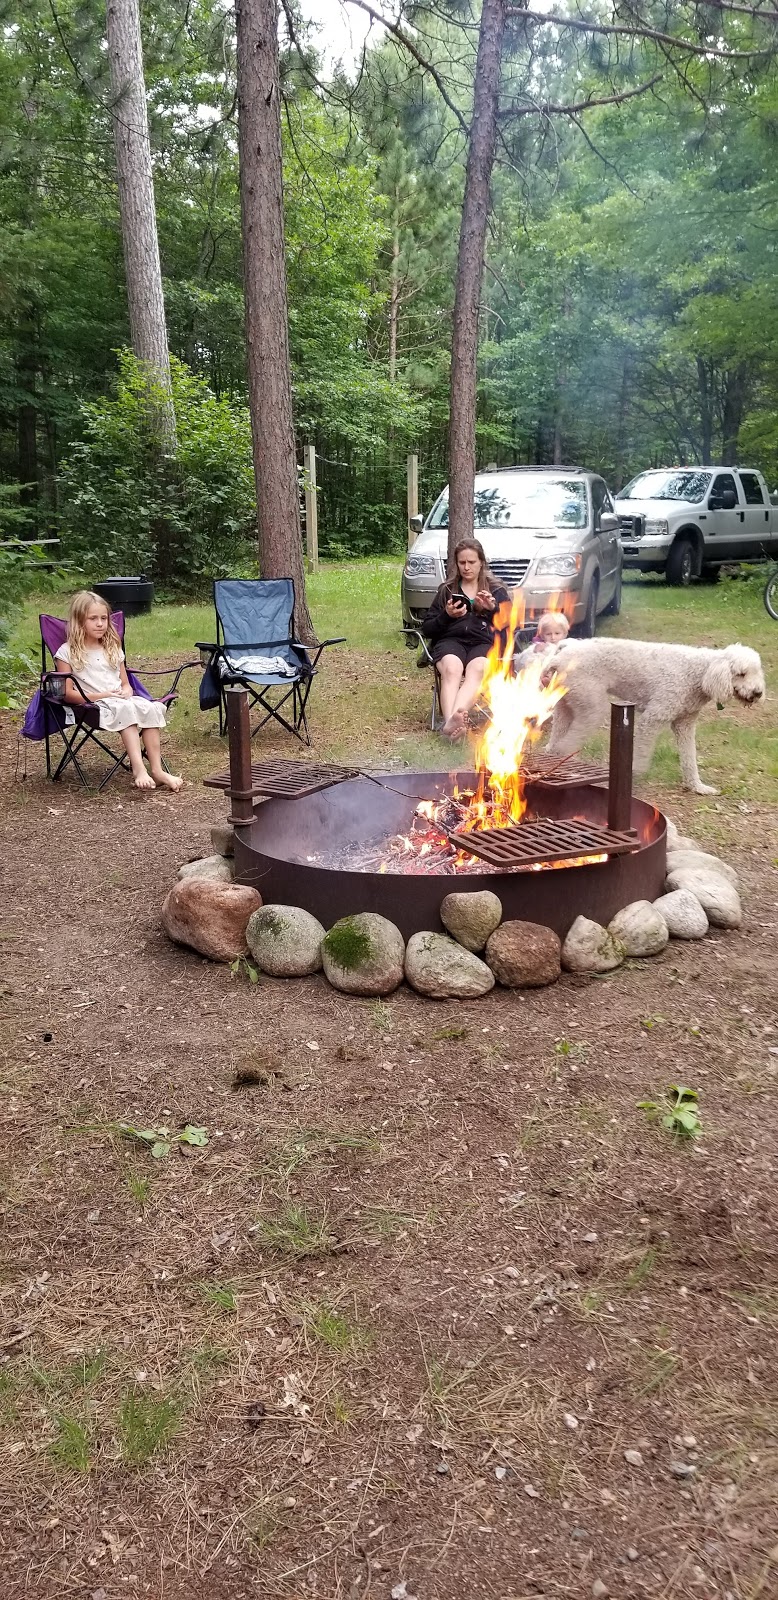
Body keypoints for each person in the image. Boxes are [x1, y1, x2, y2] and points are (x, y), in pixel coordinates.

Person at [54, 590, 183, 792]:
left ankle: (157, 771)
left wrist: (126, 690)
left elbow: (125, 683)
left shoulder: (112, 648)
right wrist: (104, 695)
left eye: (104, 618)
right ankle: (138, 768)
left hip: (119, 701)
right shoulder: (67, 652)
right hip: (93, 706)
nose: (100, 623)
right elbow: (67, 694)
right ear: (79, 621)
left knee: (151, 708)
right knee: (127, 711)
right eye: (93, 618)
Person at [422, 540, 510, 738]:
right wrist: (447, 615)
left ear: (481, 563)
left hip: (484, 642)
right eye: (462, 563)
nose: (467, 567)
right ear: (456, 564)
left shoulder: (496, 590)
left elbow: (509, 627)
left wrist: (492, 610)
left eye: (471, 562)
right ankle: (454, 720)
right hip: (450, 641)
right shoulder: (447, 590)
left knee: (478, 668)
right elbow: (427, 628)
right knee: (452, 668)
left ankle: (450, 723)